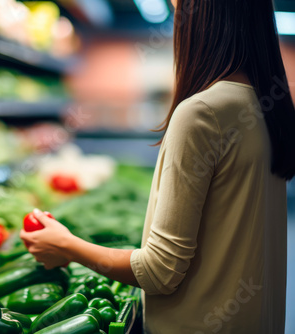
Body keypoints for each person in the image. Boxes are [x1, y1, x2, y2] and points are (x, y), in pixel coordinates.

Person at [20, 0, 295, 333]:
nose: (179, 20)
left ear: (204, 17)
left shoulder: (202, 113)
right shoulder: (266, 106)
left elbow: (159, 272)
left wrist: (66, 245)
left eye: (181, 8)